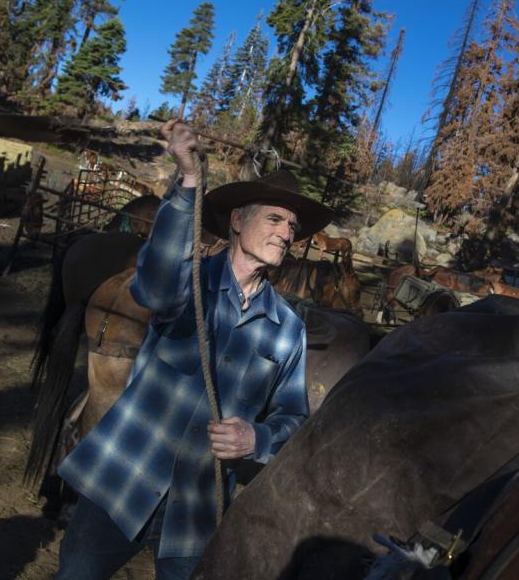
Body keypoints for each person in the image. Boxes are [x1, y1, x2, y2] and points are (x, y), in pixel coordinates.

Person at [54, 120, 334, 579]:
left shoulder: (288, 329)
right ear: (238, 220)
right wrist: (187, 182)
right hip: (125, 475)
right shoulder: (189, 282)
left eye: (292, 226)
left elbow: (293, 418)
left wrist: (256, 439)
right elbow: (156, 279)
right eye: (276, 219)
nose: (287, 233)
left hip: (198, 508)